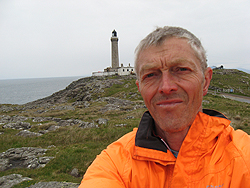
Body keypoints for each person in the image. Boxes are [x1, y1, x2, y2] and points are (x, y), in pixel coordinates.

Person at [79, 26, 250, 187]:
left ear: (205, 81)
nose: (166, 87)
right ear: (140, 88)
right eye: (151, 75)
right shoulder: (114, 164)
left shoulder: (244, 156)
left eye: (181, 69)